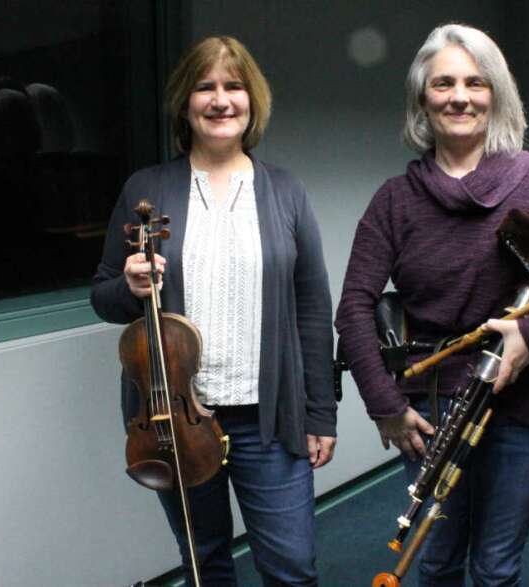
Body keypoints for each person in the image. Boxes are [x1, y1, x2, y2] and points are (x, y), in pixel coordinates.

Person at [335, 23, 529, 587]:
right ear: (423, 97)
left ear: (496, 93)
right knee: (438, 562)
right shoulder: (395, 200)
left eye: (475, 82)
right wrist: (384, 404)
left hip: (526, 408)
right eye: (443, 83)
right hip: (430, 411)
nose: (460, 96)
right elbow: (353, 306)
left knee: (495, 568)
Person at [90, 36, 337, 586]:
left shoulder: (286, 192)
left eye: (234, 86)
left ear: (253, 101)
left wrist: (321, 412)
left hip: (268, 418)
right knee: (205, 562)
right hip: (174, 419)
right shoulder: (145, 188)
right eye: (206, 87)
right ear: (185, 103)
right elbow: (102, 295)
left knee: (293, 568)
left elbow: (313, 313)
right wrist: (130, 285)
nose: (221, 100)